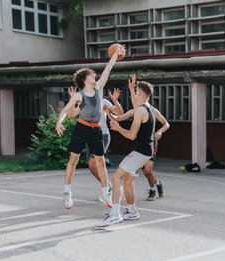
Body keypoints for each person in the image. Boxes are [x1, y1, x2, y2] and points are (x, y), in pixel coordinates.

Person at [55, 44, 125, 210]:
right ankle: (67, 192)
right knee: (74, 159)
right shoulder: (79, 95)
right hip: (82, 128)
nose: (95, 76)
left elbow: (108, 69)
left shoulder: (99, 89)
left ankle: (104, 192)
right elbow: (66, 111)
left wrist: (115, 54)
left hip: (96, 129)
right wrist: (59, 122)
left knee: (100, 161)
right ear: (85, 79)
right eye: (92, 75)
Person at [96, 80, 157, 227]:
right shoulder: (147, 109)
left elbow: (131, 136)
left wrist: (118, 129)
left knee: (116, 177)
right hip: (146, 152)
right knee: (128, 180)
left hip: (140, 152)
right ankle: (132, 211)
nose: (135, 94)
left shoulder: (141, 111)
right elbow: (118, 118)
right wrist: (109, 113)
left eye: (136, 92)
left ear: (140, 93)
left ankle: (114, 214)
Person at [64, 86, 124, 204]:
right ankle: (107, 186)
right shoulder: (85, 103)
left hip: (103, 135)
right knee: (91, 167)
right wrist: (72, 101)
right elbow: (71, 114)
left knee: (94, 163)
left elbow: (120, 113)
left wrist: (115, 101)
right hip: (89, 134)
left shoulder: (104, 101)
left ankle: (106, 190)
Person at [127, 74, 170, 201]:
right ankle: (157, 184)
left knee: (147, 169)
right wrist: (131, 88)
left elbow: (166, 124)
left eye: (137, 92)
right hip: (142, 142)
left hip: (152, 142)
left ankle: (152, 190)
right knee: (146, 171)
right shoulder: (140, 109)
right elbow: (135, 103)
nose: (136, 93)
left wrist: (160, 132)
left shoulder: (153, 110)